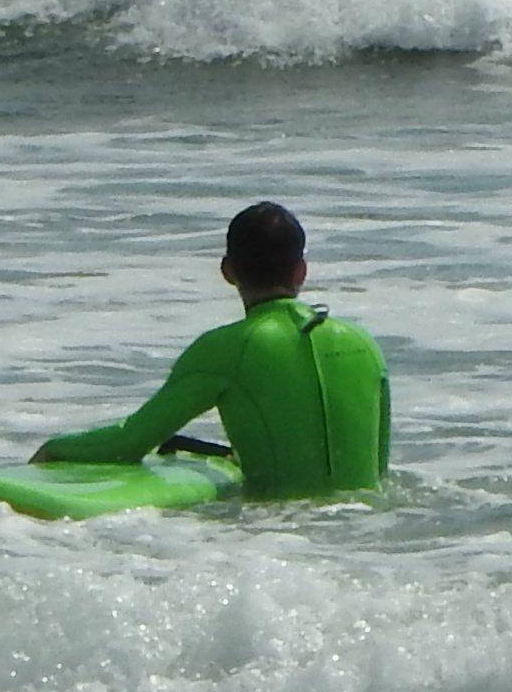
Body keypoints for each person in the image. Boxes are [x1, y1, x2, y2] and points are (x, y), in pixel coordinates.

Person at [33, 202, 391, 498]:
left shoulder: (225, 349)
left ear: (228, 271)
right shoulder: (363, 343)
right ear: (301, 271)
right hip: (363, 536)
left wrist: (55, 450)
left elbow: (129, 442)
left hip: (277, 539)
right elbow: (379, 468)